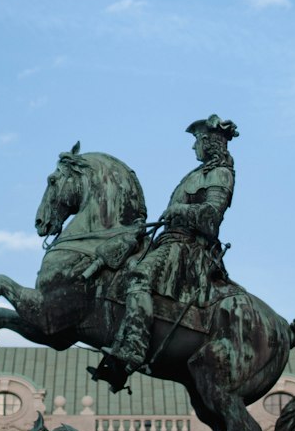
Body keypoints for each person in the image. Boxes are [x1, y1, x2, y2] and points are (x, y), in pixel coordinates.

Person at [92, 115, 239, 390]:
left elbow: (212, 218)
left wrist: (179, 210)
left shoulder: (221, 174)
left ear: (209, 143)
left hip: (187, 248)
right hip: (167, 240)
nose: (193, 147)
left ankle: (133, 349)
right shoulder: (196, 175)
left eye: (197, 140)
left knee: (139, 276)